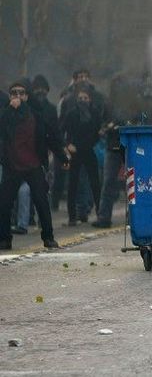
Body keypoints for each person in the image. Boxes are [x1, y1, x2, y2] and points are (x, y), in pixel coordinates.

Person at [0, 79, 69, 250]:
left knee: (41, 201)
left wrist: (63, 157)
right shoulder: (5, 115)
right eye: (14, 93)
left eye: (21, 93)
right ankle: (4, 239)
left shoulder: (36, 116)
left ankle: (48, 237)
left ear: (27, 96)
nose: (17, 96)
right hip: (12, 166)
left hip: (33, 165)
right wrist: (10, 110)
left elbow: (50, 138)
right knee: (4, 203)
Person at [61, 84, 102, 226]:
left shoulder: (95, 113)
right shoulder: (71, 113)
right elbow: (62, 130)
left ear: (90, 99)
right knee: (72, 184)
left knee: (95, 183)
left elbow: (96, 134)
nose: (82, 100)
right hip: (75, 152)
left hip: (88, 150)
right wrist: (67, 144)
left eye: (85, 98)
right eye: (80, 98)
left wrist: (83, 145)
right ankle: (72, 217)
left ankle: (100, 214)